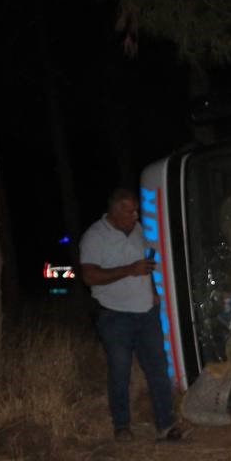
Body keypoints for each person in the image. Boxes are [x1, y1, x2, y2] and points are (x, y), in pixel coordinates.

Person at [78, 188, 184, 442]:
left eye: (136, 210)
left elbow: (145, 266)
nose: (135, 215)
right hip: (115, 316)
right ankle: (122, 426)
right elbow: (89, 275)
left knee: (158, 369)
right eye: (129, 210)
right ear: (114, 210)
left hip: (147, 312)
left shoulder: (138, 232)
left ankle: (166, 425)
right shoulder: (95, 236)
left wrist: (154, 292)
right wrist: (130, 270)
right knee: (120, 371)